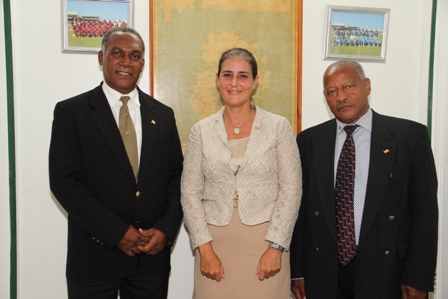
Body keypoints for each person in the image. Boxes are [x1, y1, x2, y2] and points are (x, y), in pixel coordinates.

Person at [49, 27, 184, 299]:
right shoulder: (72, 112)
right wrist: (118, 233)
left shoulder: (164, 115)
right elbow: (65, 184)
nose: (126, 62)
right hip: (94, 260)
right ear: (101, 57)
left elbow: (177, 179)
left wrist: (166, 230)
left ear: (142, 64)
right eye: (117, 53)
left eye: (135, 56)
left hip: (150, 260)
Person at [290, 60, 438, 299]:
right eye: (332, 91)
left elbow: (425, 214)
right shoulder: (309, 141)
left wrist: (418, 277)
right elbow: (299, 211)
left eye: (349, 87)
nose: (341, 97)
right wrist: (296, 272)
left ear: (366, 86)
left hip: (387, 271)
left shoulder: (409, 137)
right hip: (323, 272)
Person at [180, 48, 302, 299]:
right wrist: (205, 250)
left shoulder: (278, 127)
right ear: (217, 79)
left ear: (255, 81)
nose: (234, 83)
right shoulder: (201, 131)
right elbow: (189, 192)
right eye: (227, 75)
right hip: (214, 245)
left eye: (243, 76)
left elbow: (292, 189)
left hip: (265, 244)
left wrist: (276, 247)